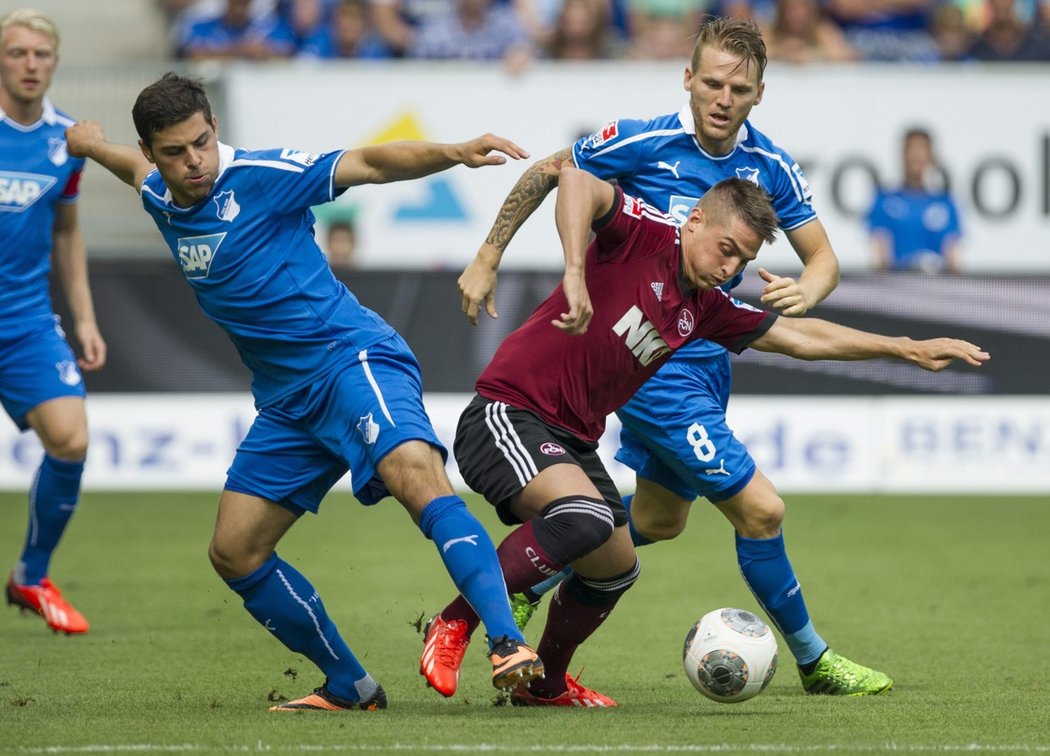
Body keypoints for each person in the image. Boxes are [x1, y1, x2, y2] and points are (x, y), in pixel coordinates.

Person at [64, 72, 543, 711]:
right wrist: (92, 145)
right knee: (235, 552)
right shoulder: (158, 190)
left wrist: (452, 151)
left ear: (215, 129)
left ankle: (507, 643)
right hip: (288, 404)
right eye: (175, 152)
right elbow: (129, 168)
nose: (195, 161)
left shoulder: (259, 175)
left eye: (202, 142)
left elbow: (368, 161)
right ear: (153, 154)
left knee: (417, 481)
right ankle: (349, 683)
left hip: (352, 360)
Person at [421, 167, 987, 707]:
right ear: (694, 222)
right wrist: (573, 270)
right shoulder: (643, 234)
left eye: (744, 259)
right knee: (587, 519)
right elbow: (572, 181)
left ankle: (542, 685)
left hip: (572, 440)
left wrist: (907, 348)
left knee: (614, 565)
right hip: (508, 411)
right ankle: (455, 621)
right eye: (726, 248)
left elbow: (801, 340)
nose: (731, 267)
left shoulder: (706, 307)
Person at [454, 16, 897, 697]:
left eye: (738, 88)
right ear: (688, 80)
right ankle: (815, 660)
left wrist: (808, 289)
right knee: (761, 510)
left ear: (758, 95)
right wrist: (489, 253)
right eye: (712, 83)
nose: (723, 98)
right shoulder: (644, 140)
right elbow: (556, 172)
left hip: (707, 349)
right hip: (651, 366)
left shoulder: (770, 167)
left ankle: (540, 569)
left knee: (660, 520)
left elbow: (824, 260)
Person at [1, 8, 107, 636]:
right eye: (17, 53)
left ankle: (30, 575)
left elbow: (67, 233)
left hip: (26, 323)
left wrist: (85, 318)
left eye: (41, 54)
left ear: (55, 62)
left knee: (71, 439)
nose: (30, 64)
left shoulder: (67, 140)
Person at [868, 127, 962, 273]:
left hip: (936, 288)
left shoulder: (945, 204)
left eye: (922, 150)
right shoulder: (885, 201)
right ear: (903, 155)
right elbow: (881, 254)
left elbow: (952, 256)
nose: (916, 156)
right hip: (896, 286)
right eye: (911, 149)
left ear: (931, 156)